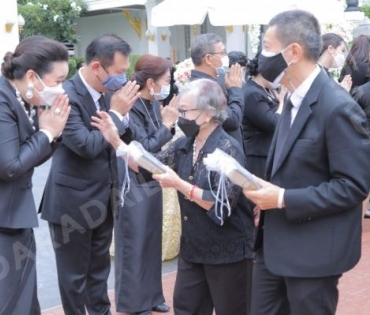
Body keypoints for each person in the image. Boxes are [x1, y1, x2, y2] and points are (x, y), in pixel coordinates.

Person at [92, 78, 255, 315]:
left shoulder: (228, 148)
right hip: (193, 247)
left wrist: (178, 184)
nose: (181, 116)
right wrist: (116, 141)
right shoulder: (185, 144)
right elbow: (150, 165)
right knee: (186, 307)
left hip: (227, 250)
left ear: (208, 114)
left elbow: (219, 202)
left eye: (185, 110)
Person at [243, 10, 370, 315]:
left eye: (269, 47)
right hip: (273, 247)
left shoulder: (337, 107)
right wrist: (265, 194)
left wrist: (283, 198)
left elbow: (353, 186)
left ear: (294, 52)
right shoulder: (291, 98)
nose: (262, 55)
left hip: (313, 254)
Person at [39, 34, 140, 314]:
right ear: (97, 67)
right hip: (71, 202)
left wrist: (123, 116)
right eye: (119, 72)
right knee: (74, 278)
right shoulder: (64, 96)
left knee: (98, 272)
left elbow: (128, 136)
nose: (123, 79)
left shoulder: (109, 96)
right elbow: (86, 145)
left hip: (103, 198)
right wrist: (117, 115)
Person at [0, 35, 70, 315]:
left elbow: (30, 159)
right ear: (32, 76)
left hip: (15, 214)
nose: (61, 88)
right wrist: (47, 132)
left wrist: (53, 135)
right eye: (57, 80)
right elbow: (10, 166)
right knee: (10, 299)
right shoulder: (3, 101)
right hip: (3, 219)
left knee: (24, 298)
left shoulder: (23, 97)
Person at [114, 54, 177, 315]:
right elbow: (144, 148)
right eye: (166, 80)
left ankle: (152, 296)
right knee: (134, 243)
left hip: (152, 179)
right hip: (133, 181)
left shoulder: (152, 102)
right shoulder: (132, 105)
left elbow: (158, 139)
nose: (169, 85)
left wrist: (167, 125)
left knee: (152, 241)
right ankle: (132, 302)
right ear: (150, 82)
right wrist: (166, 125)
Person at [190, 33, 244, 145]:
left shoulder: (211, 83)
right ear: (208, 58)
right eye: (222, 53)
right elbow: (232, 120)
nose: (226, 58)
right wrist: (235, 89)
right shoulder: (204, 88)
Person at [242, 54, 281, 179]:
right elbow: (272, 123)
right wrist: (283, 102)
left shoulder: (267, 89)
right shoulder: (252, 93)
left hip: (268, 152)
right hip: (257, 156)